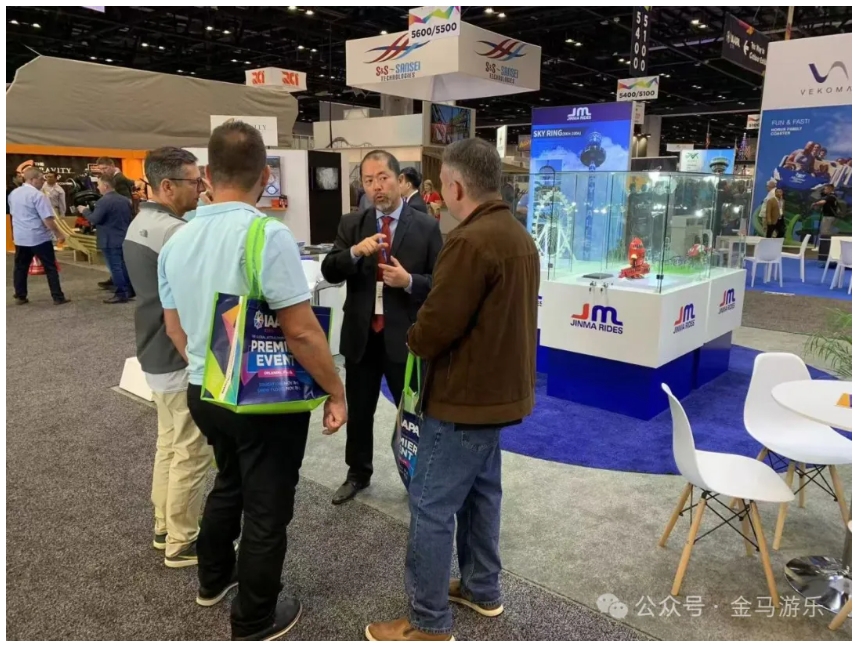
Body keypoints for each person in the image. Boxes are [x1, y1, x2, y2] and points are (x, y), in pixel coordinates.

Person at [158, 121, 346, 640]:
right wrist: (336, 390)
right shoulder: (267, 234)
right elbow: (301, 331)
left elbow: (174, 328)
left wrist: (208, 368)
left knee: (229, 482)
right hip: (262, 402)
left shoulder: (177, 240)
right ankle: (255, 619)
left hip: (204, 391)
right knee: (267, 509)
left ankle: (213, 579)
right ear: (265, 175)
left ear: (208, 175)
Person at [367, 138, 539, 641]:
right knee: (482, 494)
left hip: (463, 397)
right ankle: (482, 587)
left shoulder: (468, 242)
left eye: (442, 185)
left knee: (431, 505)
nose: (438, 195)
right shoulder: (517, 235)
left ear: (458, 186)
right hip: (498, 396)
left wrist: (413, 338)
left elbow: (437, 326)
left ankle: (428, 621)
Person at [321, 150, 442, 505]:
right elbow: (330, 270)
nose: (376, 187)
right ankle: (357, 473)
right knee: (360, 411)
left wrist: (409, 281)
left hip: (405, 338)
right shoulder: (352, 224)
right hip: (362, 337)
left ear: (399, 180)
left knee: (413, 414)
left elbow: (441, 283)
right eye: (369, 180)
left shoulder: (426, 226)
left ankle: (417, 477)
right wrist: (354, 253)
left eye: (383, 178)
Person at [123, 146, 213, 569]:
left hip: (154, 349)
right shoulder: (176, 234)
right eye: (194, 181)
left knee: (169, 444)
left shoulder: (140, 223)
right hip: (178, 356)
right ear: (167, 186)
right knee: (192, 452)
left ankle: (165, 526)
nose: (201, 188)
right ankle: (182, 540)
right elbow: (194, 299)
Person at [9, 166, 70, 306]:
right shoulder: (38, 195)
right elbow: (47, 219)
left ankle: (20, 295)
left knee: (20, 267)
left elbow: (13, 213)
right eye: (41, 179)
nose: (44, 181)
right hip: (39, 237)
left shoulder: (14, 194)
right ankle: (57, 296)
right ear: (33, 179)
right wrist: (59, 234)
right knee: (50, 267)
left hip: (21, 237)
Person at [78, 173, 135, 303]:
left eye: (98, 184)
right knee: (123, 266)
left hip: (109, 239)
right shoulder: (125, 200)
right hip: (123, 236)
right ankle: (129, 290)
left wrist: (85, 211)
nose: (97, 187)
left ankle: (121, 293)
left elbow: (94, 219)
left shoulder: (103, 202)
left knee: (115, 267)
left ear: (105, 185)